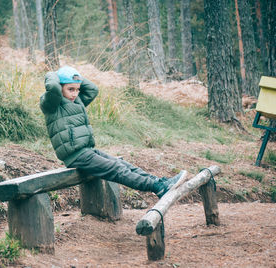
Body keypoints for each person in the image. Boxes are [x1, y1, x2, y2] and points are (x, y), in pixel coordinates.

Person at [40, 66, 185, 198]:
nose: (75, 93)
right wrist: (56, 74)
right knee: (116, 168)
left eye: (77, 89)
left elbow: (92, 89)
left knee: (122, 164)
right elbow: (52, 86)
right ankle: (157, 187)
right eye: (70, 89)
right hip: (75, 157)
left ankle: (160, 182)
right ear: (60, 88)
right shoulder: (52, 105)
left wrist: (74, 78)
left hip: (87, 151)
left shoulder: (76, 102)